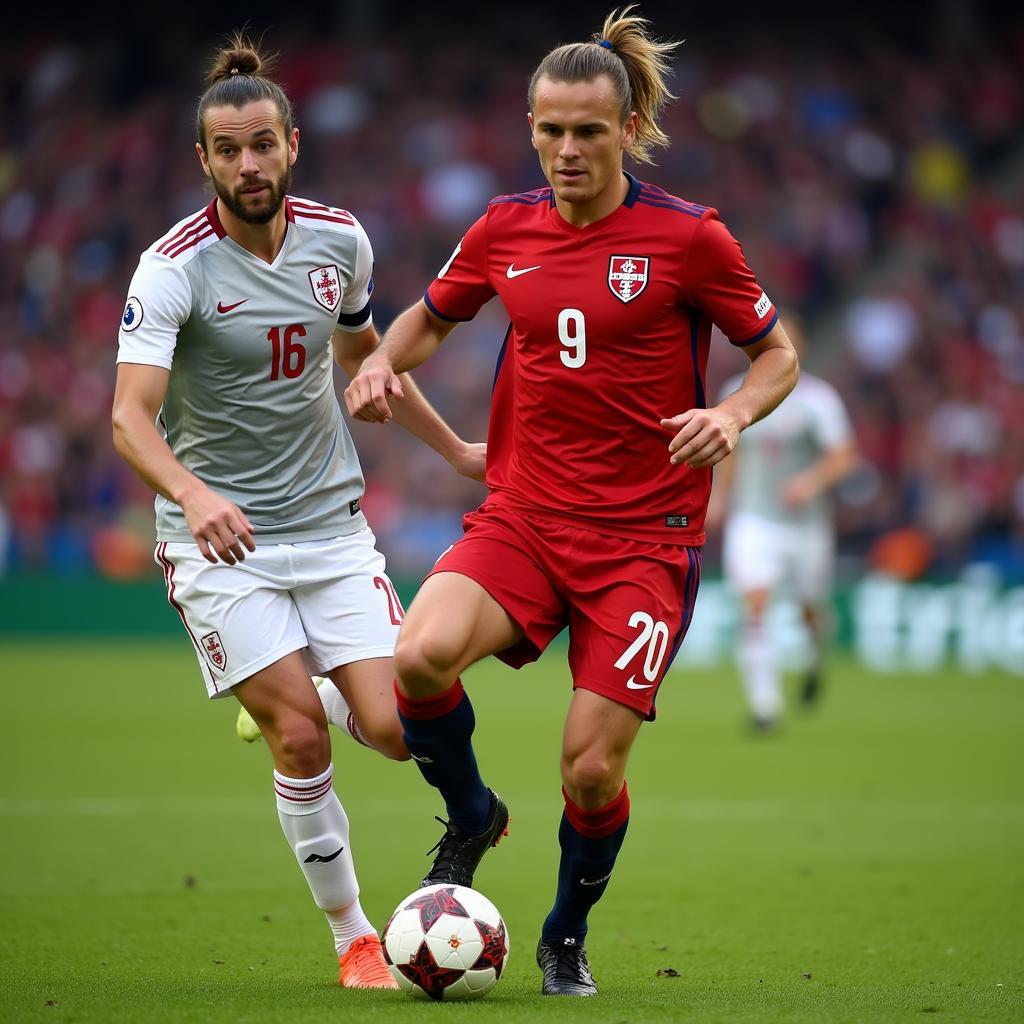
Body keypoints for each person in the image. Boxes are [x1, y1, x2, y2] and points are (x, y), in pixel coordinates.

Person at [345, 7, 799, 998]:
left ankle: (560, 934)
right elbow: (428, 318)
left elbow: (778, 355)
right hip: (524, 516)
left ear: (626, 127)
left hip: (642, 541)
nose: (564, 149)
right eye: (547, 129)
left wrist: (731, 414)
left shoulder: (689, 238)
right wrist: (381, 358)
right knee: (416, 659)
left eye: (586, 130)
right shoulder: (504, 227)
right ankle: (471, 813)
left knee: (589, 773)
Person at [110, 34, 484, 991]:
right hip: (218, 545)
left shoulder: (340, 240)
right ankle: (355, 937)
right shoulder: (172, 269)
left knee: (402, 730)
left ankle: (310, 684)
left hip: (329, 528)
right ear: (203, 160)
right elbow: (127, 418)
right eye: (228, 149)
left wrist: (456, 451)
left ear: (292, 144)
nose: (248, 164)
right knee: (301, 743)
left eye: (263, 144)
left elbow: (368, 364)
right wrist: (192, 495)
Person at [707, 312, 858, 730]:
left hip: (805, 527)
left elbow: (844, 455)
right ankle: (765, 706)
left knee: (809, 609)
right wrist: (720, 498)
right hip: (754, 521)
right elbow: (732, 451)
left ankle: (814, 659)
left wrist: (810, 482)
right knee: (755, 606)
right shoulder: (735, 393)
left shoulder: (818, 400)